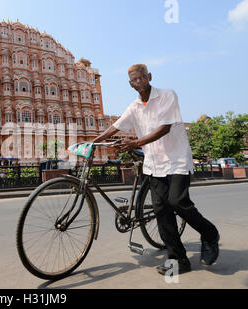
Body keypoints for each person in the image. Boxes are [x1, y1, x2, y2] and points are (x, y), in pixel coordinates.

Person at [93, 64, 220, 275]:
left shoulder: (167, 96)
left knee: (178, 201)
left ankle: (210, 233)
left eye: (141, 77)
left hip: (177, 159)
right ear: (130, 84)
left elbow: (165, 128)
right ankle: (178, 260)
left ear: (149, 77)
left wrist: (136, 142)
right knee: (162, 212)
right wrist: (92, 143)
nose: (138, 82)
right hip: (154, 163)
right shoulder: (134, 106)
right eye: (134, 80)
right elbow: (115, 127)